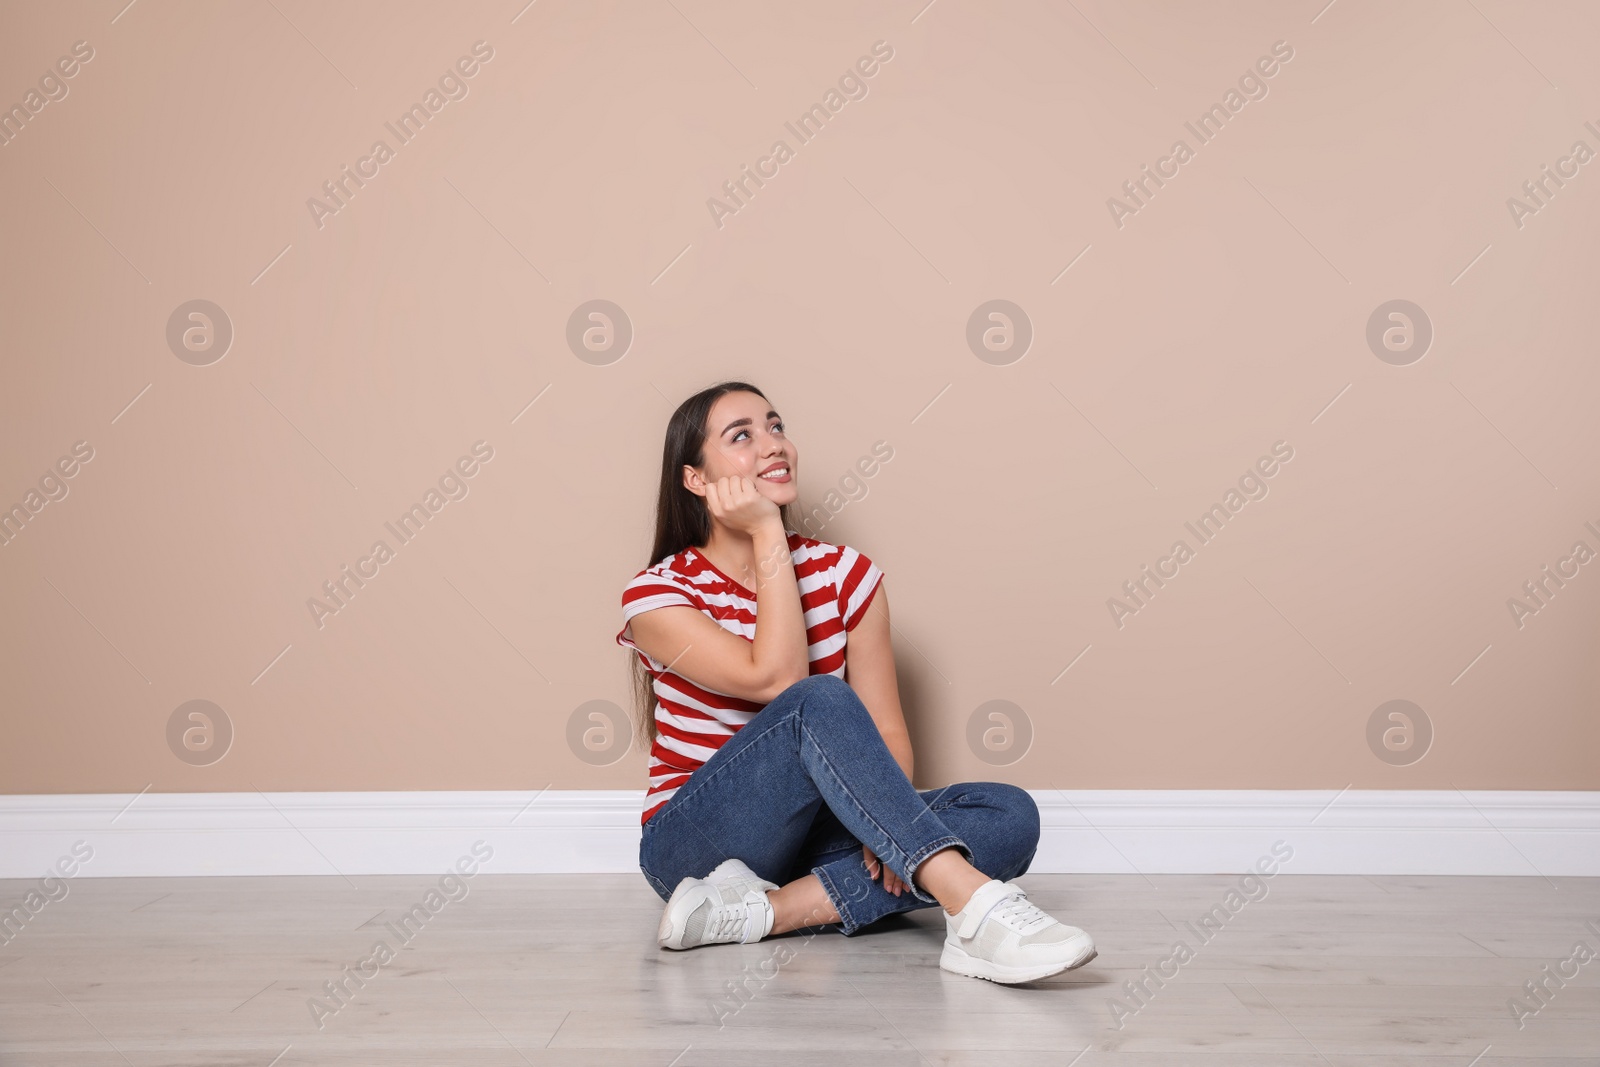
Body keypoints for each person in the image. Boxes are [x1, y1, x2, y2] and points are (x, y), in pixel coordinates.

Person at [617, 380, 1096, 984]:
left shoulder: (847, 574)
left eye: (776, 426)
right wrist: (769, 533)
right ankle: (975, 915)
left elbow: (889, 728)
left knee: (1007, 815)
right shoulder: (659, 594)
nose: (774, 446)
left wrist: (890, 826)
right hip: (694, 847)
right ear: (696, 480)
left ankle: (764, 913)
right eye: (742, 436)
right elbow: (777, 678)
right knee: (815, 698)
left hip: (814, 838)